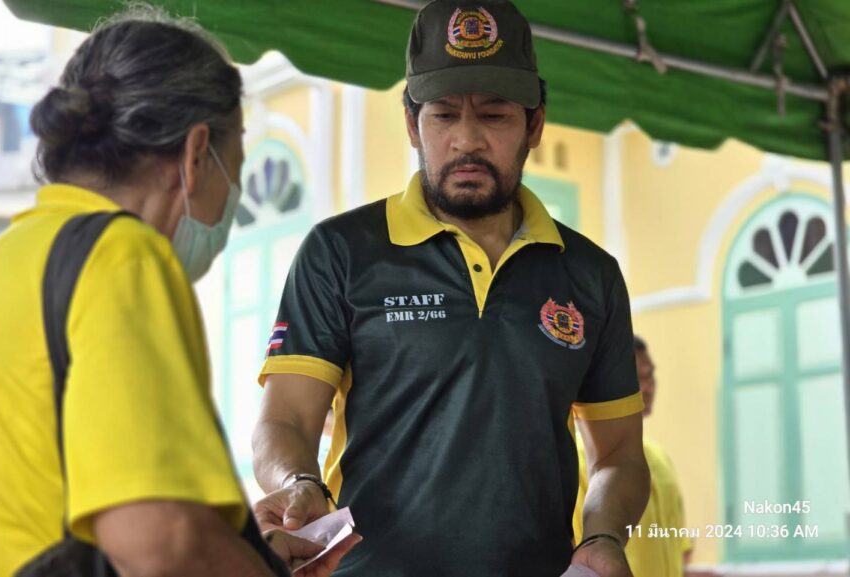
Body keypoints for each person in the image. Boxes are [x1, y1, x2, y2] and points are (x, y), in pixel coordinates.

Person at [0, 9, 358, 577]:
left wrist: (247, 553)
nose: (231, 202)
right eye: (235, 169)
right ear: (196, 155)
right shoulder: (121, 256)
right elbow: (159, 542)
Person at [251, 1, 650, 576]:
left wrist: (605, 534)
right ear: (412, 124)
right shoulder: (342, 251)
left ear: (535, 125)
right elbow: (285, 418)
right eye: (443, 115)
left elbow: (618, 455)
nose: (467, 140)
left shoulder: (590, 274)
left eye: (494, 115)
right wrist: (298, 482)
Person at [574, 336, 694, 577]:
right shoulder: (580, 459)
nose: (647, 387)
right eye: (636, 379)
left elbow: (682, 548)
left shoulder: (658, 457)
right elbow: (579, 550)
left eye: (649, 375)